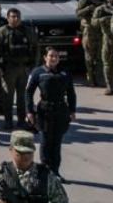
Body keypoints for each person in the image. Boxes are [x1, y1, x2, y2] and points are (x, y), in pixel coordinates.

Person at [25, 48, 77, 178]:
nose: (53, 58)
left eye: (56, 56)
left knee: (57, 141)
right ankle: (45, 171)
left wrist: (72, 110)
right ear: (45, 57)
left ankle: (55, 171)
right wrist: (29, 111)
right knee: (46, 141)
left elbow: (71, 93)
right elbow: (28, 92)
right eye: (50, 56)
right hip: (45, 110)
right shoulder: (38, 72)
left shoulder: (64, 73)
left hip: (61, 110)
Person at [0, 9, 39, 130]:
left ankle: (21, 121)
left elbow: (36, 48)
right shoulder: (2, 32)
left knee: (22, 97)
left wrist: (35, 67)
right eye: (13, 16)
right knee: (8, 97)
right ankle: (8, 121)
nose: (16, 19)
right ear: (8, 18)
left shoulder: (27, 31)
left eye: (18, 16)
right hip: (8, 69)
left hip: (24, 68)